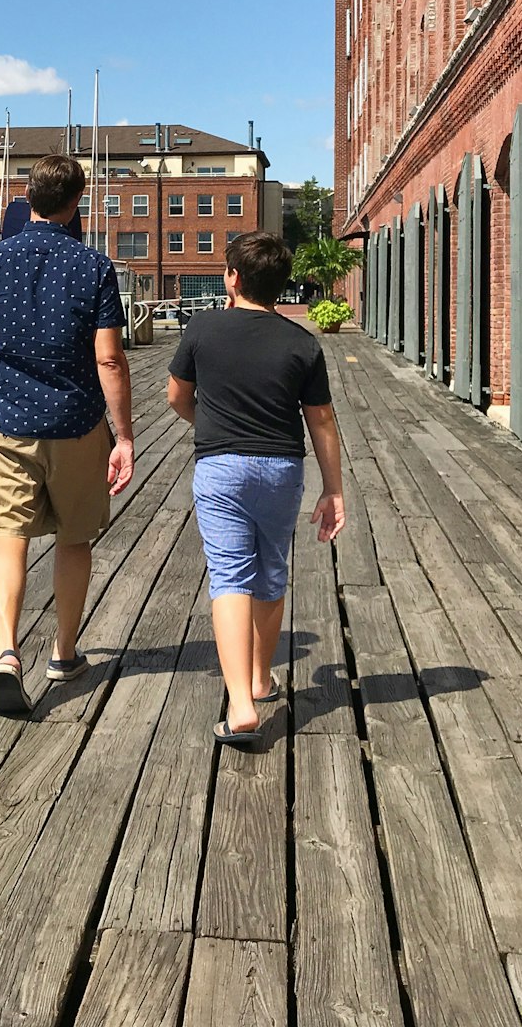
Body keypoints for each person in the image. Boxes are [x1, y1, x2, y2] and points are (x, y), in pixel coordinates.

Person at [0, 153, 135, 716]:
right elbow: (109, 360)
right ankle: (63, 652)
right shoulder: (94, 266)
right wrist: (124, 435)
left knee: (8, 534)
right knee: (75, 537)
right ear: (76, 202)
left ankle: (7, 653)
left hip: (7, 422)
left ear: (26, 198)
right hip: (78, 423)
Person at [167, 232, 344, 746]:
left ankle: (240, 704)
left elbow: (177, 396)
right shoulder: (301, 341)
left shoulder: (203, 327)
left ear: (233, 278)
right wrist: (333, 491)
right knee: (270, 570)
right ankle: (260, 679)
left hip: (221, 466)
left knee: (229, 576)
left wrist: (208, 423)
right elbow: (323, 420)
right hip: (281, 469)